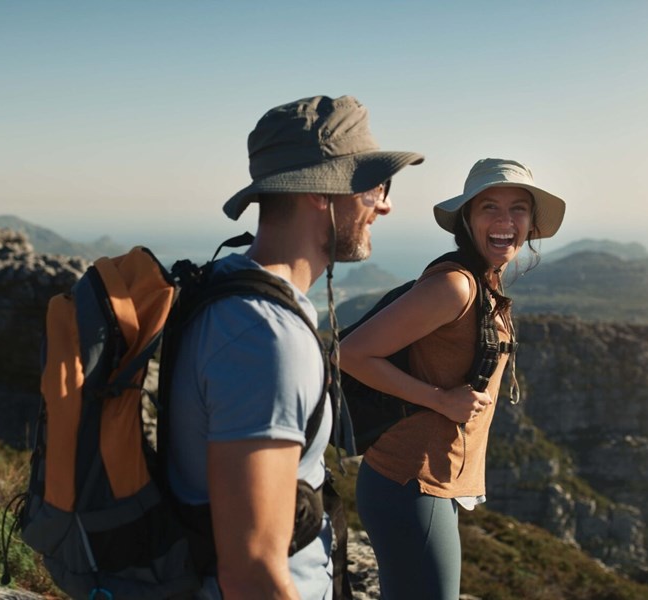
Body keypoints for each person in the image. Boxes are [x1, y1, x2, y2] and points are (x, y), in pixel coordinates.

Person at [166, 95, 424, 600]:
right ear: (321, 192)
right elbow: (252, 571)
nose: (386, 204)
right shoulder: (265, 338)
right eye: (374, 186)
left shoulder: (230, 284)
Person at [339, 158, 566, 599]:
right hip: (411, 484)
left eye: (518, 208)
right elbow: (349, 353)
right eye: (489, 208)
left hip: (424, 485)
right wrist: (440, 399)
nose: (505, 221)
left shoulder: (485, 283)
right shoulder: (456, 287)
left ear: (531, 222)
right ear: (467, 218)